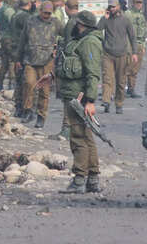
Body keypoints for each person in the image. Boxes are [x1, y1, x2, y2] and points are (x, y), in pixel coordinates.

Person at [37, 10, 103, 193]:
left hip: (79, 98)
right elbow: (70, 64)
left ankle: (80, 179)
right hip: (73, 95)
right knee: (86, 137)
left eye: (77, 23)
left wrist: (90, 101)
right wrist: (52, 76)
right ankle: (93, 179)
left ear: (82, 25)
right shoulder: (79, 41)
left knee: (78, 138)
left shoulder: (89, 43)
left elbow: (92, 74)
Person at [16, 0, 62, 128]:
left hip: (47, 61)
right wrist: (18, 59)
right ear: (40, 11)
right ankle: (28, 110)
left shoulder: (56, 23)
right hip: (30, 59)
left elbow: (64, 37)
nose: (46, 15)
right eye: (44, 13)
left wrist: (57, 49)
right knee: (29, 84)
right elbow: (22, 40)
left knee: (44, 90)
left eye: (49, 13)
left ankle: (41, 116)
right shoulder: (30, 21)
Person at [98, 0, 137, 114]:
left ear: (119, 7)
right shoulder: (106, 20)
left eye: (113, 7)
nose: (111, 9)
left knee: (120, 81)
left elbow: (132, 37)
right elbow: (97, 29)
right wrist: (103, 18)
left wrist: (134, 53)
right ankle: (106, 101)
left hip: (122, 55)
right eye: (110, 7)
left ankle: (119, 104)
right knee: (107, 79)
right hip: (107, 54)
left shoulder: (125, 20)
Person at [49, 0, 80, 140]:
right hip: (80, 64)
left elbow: (68, 46)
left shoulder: (70, 24)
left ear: (67, 8)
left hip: (70, 65)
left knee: (68, 97)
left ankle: (66, 129)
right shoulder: (83, 21)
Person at [10, 0, 32, 117]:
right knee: (26, 81)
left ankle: (18, 107)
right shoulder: (26, 17)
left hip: (15, 51)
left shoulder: (15, 15)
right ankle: (24, 108)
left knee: (19, 81)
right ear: (29, 4)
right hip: (23, 52)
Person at [125, 0, 146, 98]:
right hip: (130, 43)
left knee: (135, 69)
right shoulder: (128, 14)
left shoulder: (141, 15)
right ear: (133, 3)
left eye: (141, 2)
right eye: (137, 2)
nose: (139, 4)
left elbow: (143, 31)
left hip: (139, 44)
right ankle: (120, 89)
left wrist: (143, 46)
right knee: (128, 67)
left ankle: (131, 89)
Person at [0, 0, 17, 91]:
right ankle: (11, 84)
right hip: (10, 38)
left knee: (4, 62)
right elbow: (13, 23)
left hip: (3, 38)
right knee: (12, 61)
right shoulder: (9, 10)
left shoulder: (1, 9)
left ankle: (0, 84)